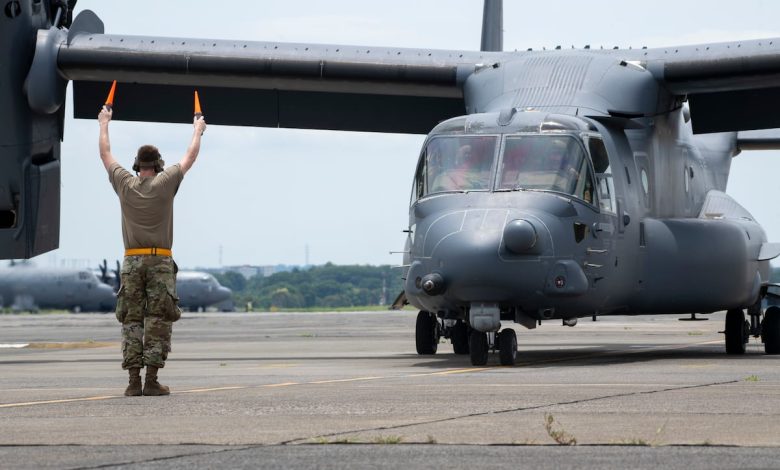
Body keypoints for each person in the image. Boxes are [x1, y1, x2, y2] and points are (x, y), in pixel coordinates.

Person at [98, 105, 206, 396]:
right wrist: (197, 130)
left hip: (131, 261)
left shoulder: (124, 183)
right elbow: (190, 156)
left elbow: (105, 154)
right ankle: (151, 380)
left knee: (131, 320)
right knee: (158, 319)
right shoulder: (165, 183)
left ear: (136, 166)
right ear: (158, 165)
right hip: (159, 260)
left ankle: (133, 382)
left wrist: (103, 123)